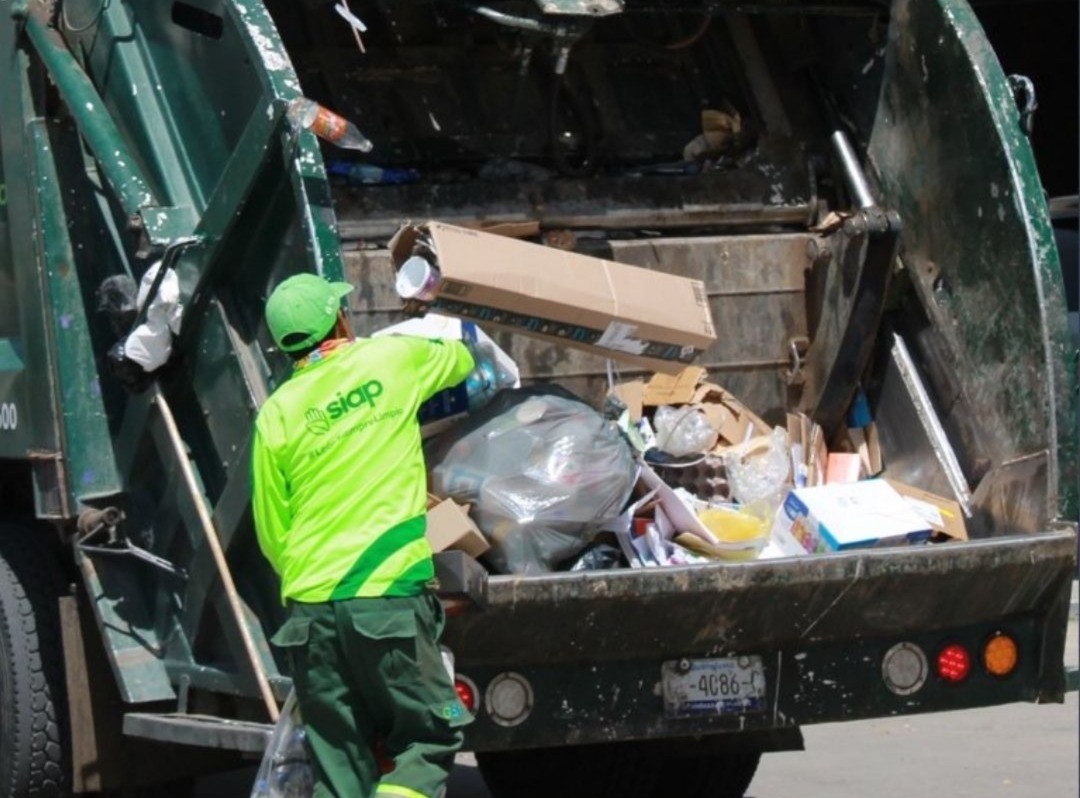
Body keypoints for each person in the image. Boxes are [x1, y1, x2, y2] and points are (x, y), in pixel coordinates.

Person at [251, 272, 475, 798]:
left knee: (340, 766)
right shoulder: (389, 361)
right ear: (340, 320)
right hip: (387, 598)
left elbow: (272, 529)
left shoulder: (277, 413)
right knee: (432, 735)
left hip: (311, 611)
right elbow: (461, 356)